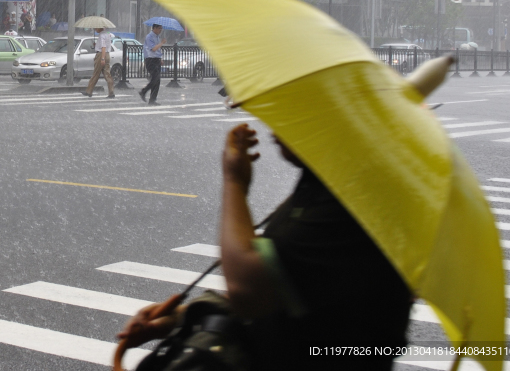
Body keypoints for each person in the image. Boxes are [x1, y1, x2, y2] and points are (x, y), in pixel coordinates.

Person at [117, 124, 412, 370]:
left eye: (292, 112)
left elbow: (249, 289)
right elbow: (288, 286)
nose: (274, 123)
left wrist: (234, 182)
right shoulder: (323, 185)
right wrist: (183, 316)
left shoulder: (356, 201)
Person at [83, 27, 115, 98]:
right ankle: (111, 91)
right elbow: (106, 45)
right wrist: (97, 45)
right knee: (107, 74)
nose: (95, 29)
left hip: (101, 54)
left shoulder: (101, 35)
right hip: (107, 54)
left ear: (100, 28)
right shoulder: (107, 33)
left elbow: (103, 47)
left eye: (96, 28)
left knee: (96, 73)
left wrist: (102, 58)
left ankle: (89, 91)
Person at [139, 23, 165, 105]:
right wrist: (161, 43)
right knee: (155, 78)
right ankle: (144, 91)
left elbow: (157, 50)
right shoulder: (149, 37)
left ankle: (152, 99)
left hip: (156, 60)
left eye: (161, 28)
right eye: (159, 28)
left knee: (157, 80)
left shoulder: (157, 37)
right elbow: (153, 48)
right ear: (154, 28)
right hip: (150, 60)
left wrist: (160, 58)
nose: (160, 30)